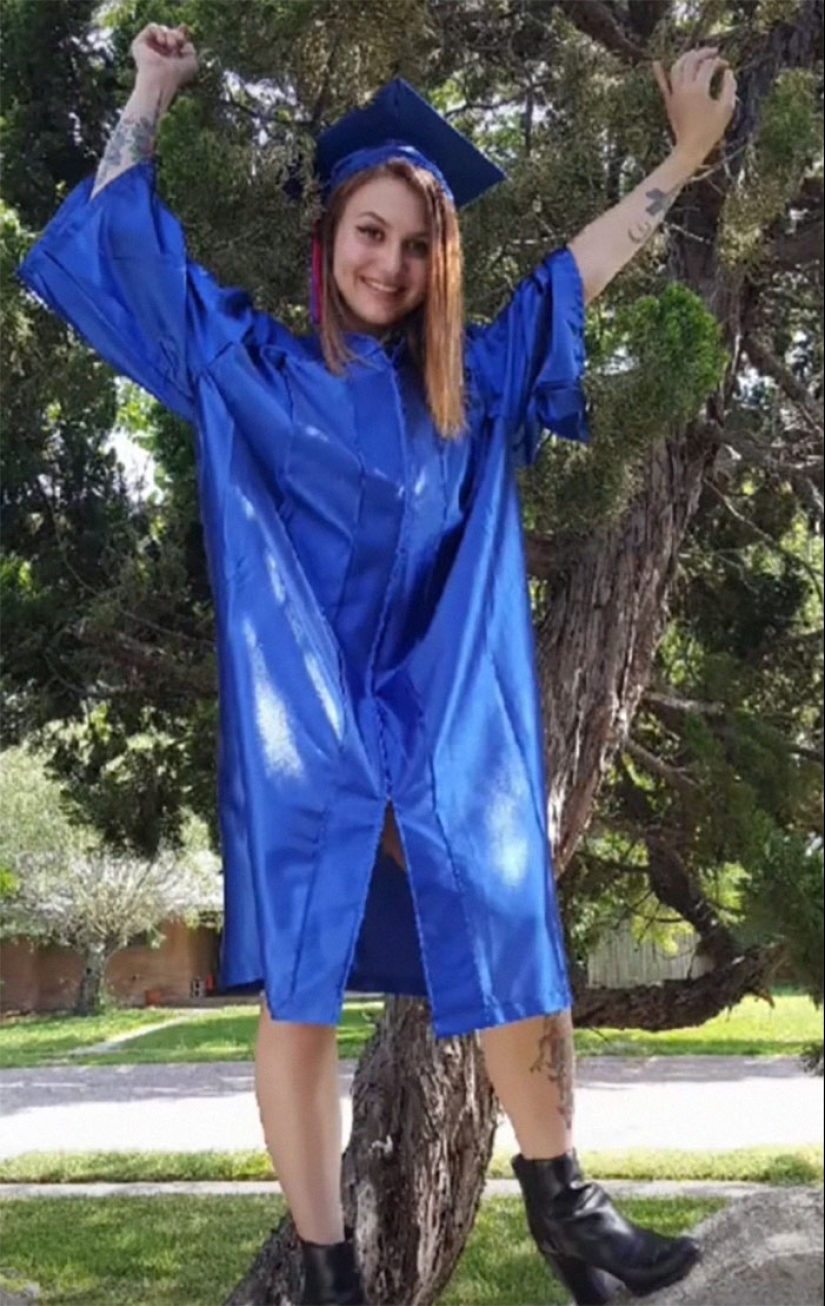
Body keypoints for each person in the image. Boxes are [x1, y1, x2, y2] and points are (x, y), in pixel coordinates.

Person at [17, 22, 737, 1306]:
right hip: (308, 732)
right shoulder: (249, 367)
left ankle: (565, 1203)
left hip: (436, 722)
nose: (390, 263)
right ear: (329, 236)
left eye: (416, 244)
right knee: (299, 994)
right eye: (371, 232)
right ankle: (330, 1270)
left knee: (509, 914)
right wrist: (149, 93)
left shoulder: (469, 391)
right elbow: (126, 234)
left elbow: (578, 273)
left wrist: (683, 159)